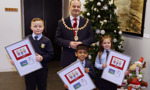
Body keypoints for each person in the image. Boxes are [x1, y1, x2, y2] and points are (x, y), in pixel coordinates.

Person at [10, 18, 54, 90]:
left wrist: (42, 58)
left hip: (42, 69)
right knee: (29, 87)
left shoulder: (47, 40)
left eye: (40, 26)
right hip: (29, 70)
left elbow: (51, 54)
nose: (37, 28)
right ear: (31, 27)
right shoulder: (25, 39)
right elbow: (20, 53)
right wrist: (15, 61)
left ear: (43, 28)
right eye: (35, 26)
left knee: (42, 87)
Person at [55, 0, 94, 68]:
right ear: (69, 8)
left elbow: (91, 38)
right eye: (74, 6)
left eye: (78, 7)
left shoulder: (87, 22)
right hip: (67, 58)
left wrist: (82, 43)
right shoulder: (62, 22)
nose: (76, 8)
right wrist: (69, 43)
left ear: (80, 8)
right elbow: (57, 39)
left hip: (83, 58)